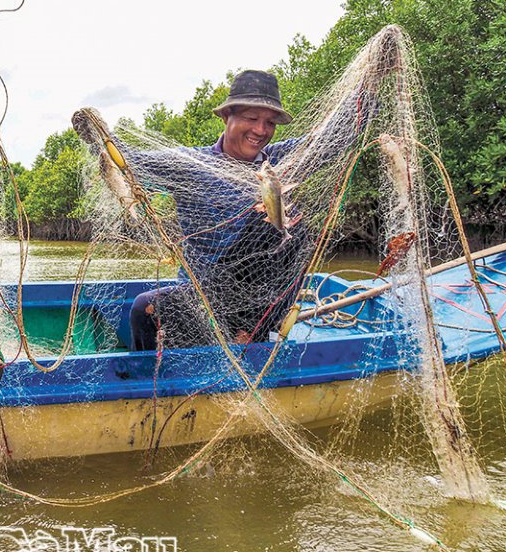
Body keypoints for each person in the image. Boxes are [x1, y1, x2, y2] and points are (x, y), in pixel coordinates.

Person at [75, 69, 373, 351]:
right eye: (252, 118)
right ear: (227, 117)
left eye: (270, 123)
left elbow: (333, 139)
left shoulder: (278, 161)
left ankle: (252, 337)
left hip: (259, 305)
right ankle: (150, 386)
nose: (261, 130)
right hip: (202, 299)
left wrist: (371, 81)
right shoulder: (190, 166)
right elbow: (129, 163)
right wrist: (96, 136)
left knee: (284, 223)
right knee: (144, 308)